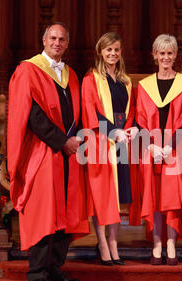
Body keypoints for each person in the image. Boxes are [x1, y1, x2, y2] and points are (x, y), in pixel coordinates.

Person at [7, 22, 90, 281]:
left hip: (68, 153)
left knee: (65, 213)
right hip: (44, 152)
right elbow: (30, 115)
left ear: (67, 43)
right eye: (52, 38)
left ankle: (55, 268)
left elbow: (77, 113)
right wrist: (61, 141)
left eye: (62, 39)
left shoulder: (71, 74)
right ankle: (37, 273)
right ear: (43, 40)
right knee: (45, 213)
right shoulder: (27, 70)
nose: (57, 43)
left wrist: (76, 139)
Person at [136, 34, 182, 265]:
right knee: (153, 196)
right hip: (151, 148)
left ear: (175, 55)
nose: (166, 57)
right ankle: (156, 244)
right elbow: (139, 120)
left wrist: (168, 146)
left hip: (175, 149)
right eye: (161, 53)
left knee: (171, 198)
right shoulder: (144, 86)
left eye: (170, 53)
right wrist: (152, 145)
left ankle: (171, 243)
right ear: (155, 55)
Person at [81, 32, 140, 266]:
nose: (113, 54)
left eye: (116, 49)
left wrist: (131, 128)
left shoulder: (126, 80)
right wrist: (111, 131)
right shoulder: (91, 79)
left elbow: (131, 110)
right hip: (101, 141)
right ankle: (102, 243)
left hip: (122, 139)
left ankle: (114, 242)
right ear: (100, 52)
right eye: (108, 50)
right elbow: (89, 110)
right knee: (102, 194)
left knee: (118, 195)